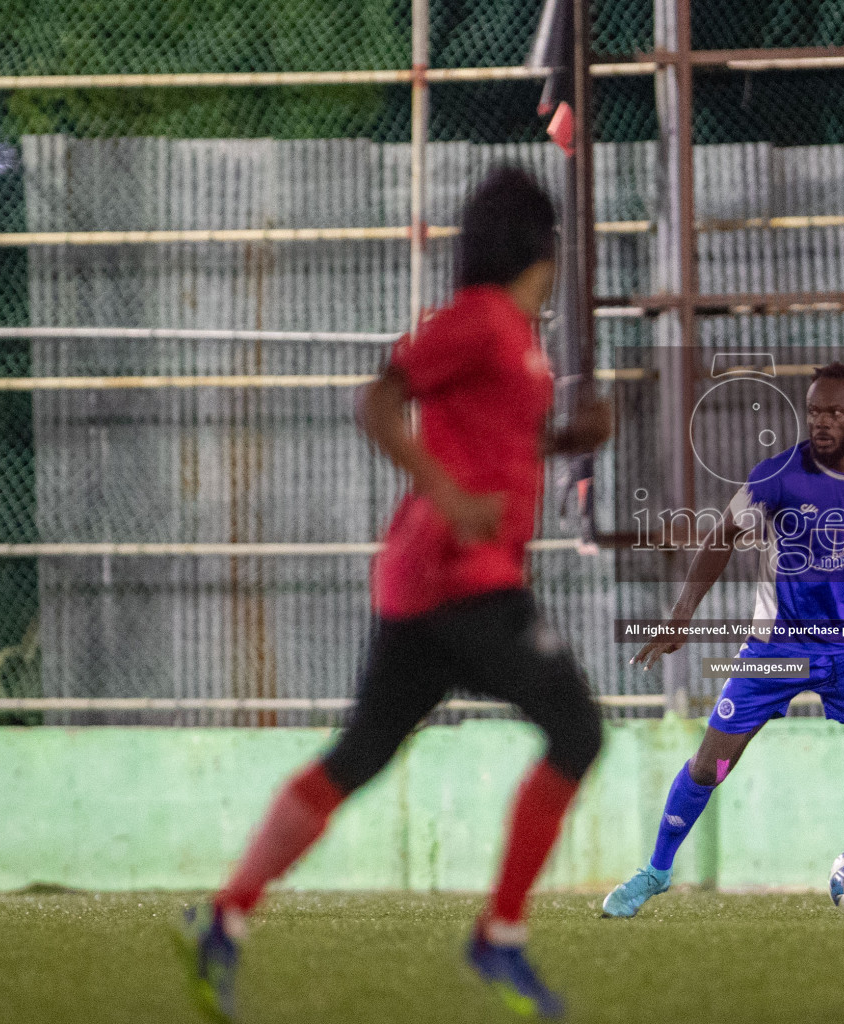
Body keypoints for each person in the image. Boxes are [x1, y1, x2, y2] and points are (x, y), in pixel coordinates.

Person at [176, 165, 612, 1022]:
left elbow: (496, 440)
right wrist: (447, 494)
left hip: (432, 584)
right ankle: (499, 939)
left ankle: (224, 921)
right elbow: (376, 402)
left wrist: (566, 441)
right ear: (542, 245)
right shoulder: (480, 321)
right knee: (577, 728)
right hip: (459, 578)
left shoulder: (517, 336)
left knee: (361, 754)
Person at [603, 362, 844, 919]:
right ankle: (656, 872)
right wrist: (682, 613)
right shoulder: (776, 476)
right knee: (712, 768)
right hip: (776, 653)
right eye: (813, 411)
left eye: (834, 412)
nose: (821, 422)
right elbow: (722, 536)